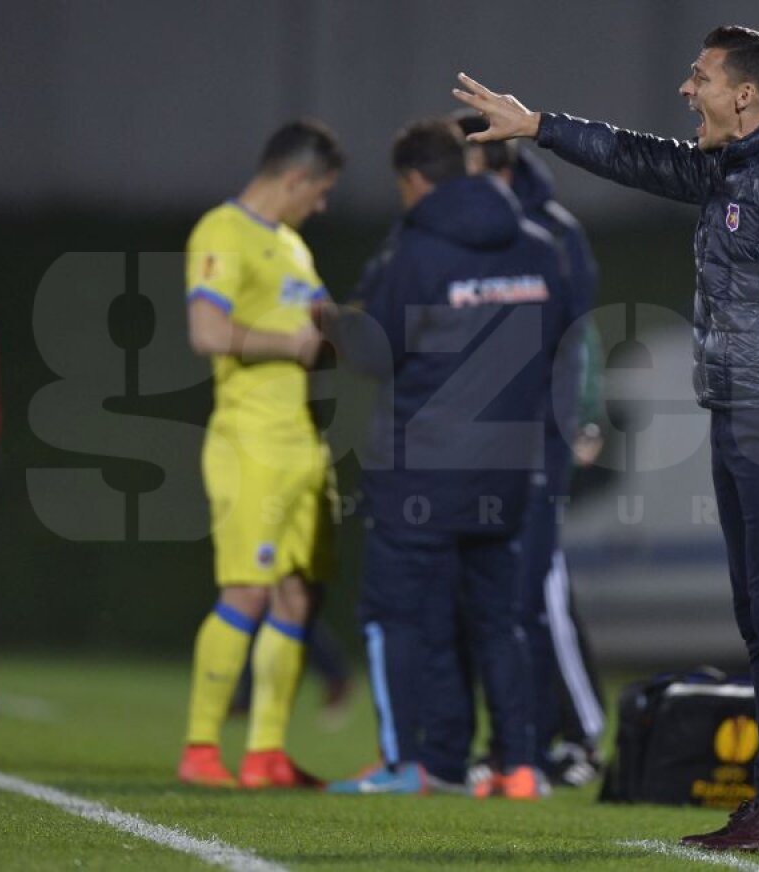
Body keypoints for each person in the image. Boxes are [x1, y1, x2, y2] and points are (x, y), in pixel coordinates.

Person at [454, 24, 759, 851]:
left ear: (745, 95)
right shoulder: (732, 165)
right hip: (742, 412)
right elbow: (638, 157)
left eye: (701, 77)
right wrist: (540, 125)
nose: (688, 89)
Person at [321, 120, 573, 798]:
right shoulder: (541, 248)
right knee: (500, 620)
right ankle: (520, 766)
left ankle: (407, 762)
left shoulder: (418, 251)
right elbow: (555, 342)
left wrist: (333, 320)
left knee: (395, 615)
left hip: (423, 469)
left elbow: (373, 352)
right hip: (508, 467)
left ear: (413, 181)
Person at [178, 119, 344, 789]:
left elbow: (322, 324)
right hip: (249, 441)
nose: (322, 205)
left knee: (298, 595)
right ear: (296, 179)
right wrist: (290, 344)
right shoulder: (222, 231)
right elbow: (206, 330)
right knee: (247, 590)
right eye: (321, 192)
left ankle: (266, 753)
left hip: (303, 442)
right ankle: (199, 750)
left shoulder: (294, 248)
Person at [454, 111, 609, 787]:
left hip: (537, 435)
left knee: (539, 590)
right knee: (493, 598)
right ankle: (514, 742)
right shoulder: (461, 229)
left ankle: (578, 738)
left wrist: (580, 418)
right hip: (480, 438)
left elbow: (577, 335)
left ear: (495, 164)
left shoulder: (552, 231)